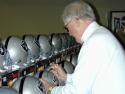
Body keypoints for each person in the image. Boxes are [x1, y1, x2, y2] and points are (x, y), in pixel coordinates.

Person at [40, 0, 125, 94]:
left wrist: (52, 90)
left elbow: (77, 91)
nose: (69, 33)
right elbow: (88, 78)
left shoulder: (94, 42)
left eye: (67, 27)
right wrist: (66, 77)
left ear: (77, 20)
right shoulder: (101, 35)